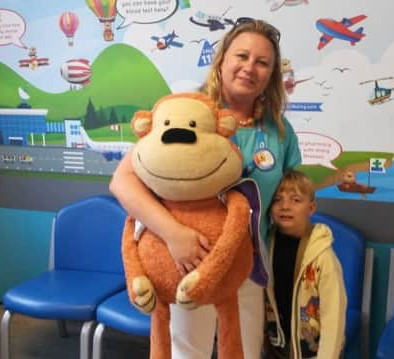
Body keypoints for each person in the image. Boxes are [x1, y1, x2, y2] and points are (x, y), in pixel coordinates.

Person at [109, 18, 301, 359]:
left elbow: (288, 195)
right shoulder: (187, 111)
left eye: (262, 62)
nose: (249, 68)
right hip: (189, 258)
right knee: (190, 352)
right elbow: (122, 182)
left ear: (272, 74)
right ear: (222, 59)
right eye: (241, 56)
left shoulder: (279, 130)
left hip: (249, 263)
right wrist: (173, 234)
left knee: (242, 350)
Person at [265, 170, 347, 359]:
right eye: (277, 199)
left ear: (311, 208)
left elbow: (333, 316)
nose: (285, 206)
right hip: (278, 348)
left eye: (295, 200)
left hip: (314, 352)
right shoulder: (266, 245)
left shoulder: (323, 256)